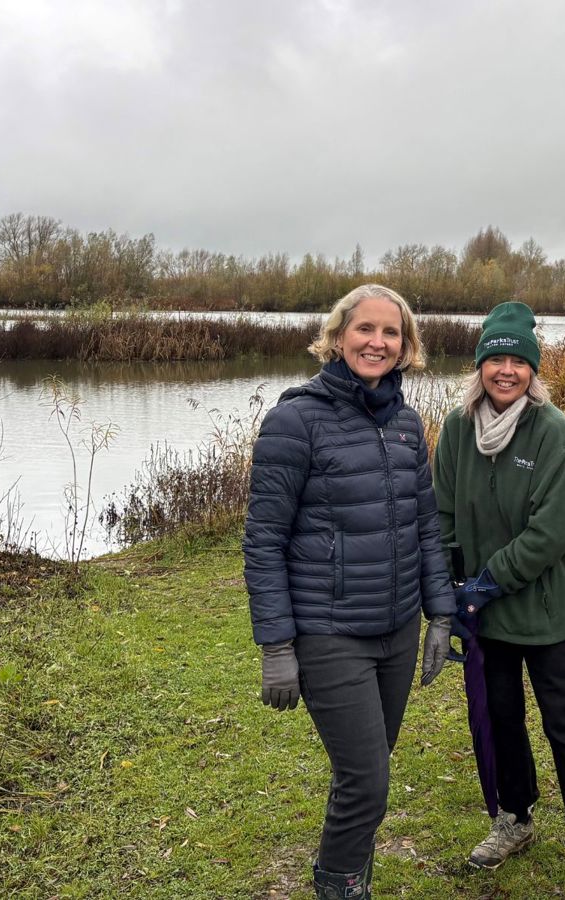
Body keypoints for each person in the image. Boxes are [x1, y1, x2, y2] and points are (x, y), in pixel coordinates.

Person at [243, 284, 455, 900]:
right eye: (366, 329)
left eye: (392, 333)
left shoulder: (408, 424)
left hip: (396, 630)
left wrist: (439, 613)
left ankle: (349, 876)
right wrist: (277, 645)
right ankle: (338, 885)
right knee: (368, 781)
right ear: (338, 337)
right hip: (330, 632)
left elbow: (424, 525)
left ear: (406, 347)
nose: (378, 342)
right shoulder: (295, 420)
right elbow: (263, 542)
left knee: (368, 774)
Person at [428, 301, 565, 900]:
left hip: (545, 611)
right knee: (499, 717)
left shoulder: (553, 431)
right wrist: (454, 590)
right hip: (484, 612)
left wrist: (489, 579)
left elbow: (551, 531)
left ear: (533, 370)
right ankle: (515, 818)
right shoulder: (457, 429)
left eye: (517, 361)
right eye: (495, 359)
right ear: (479, 365)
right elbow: (443, 512)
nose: (505, 371)